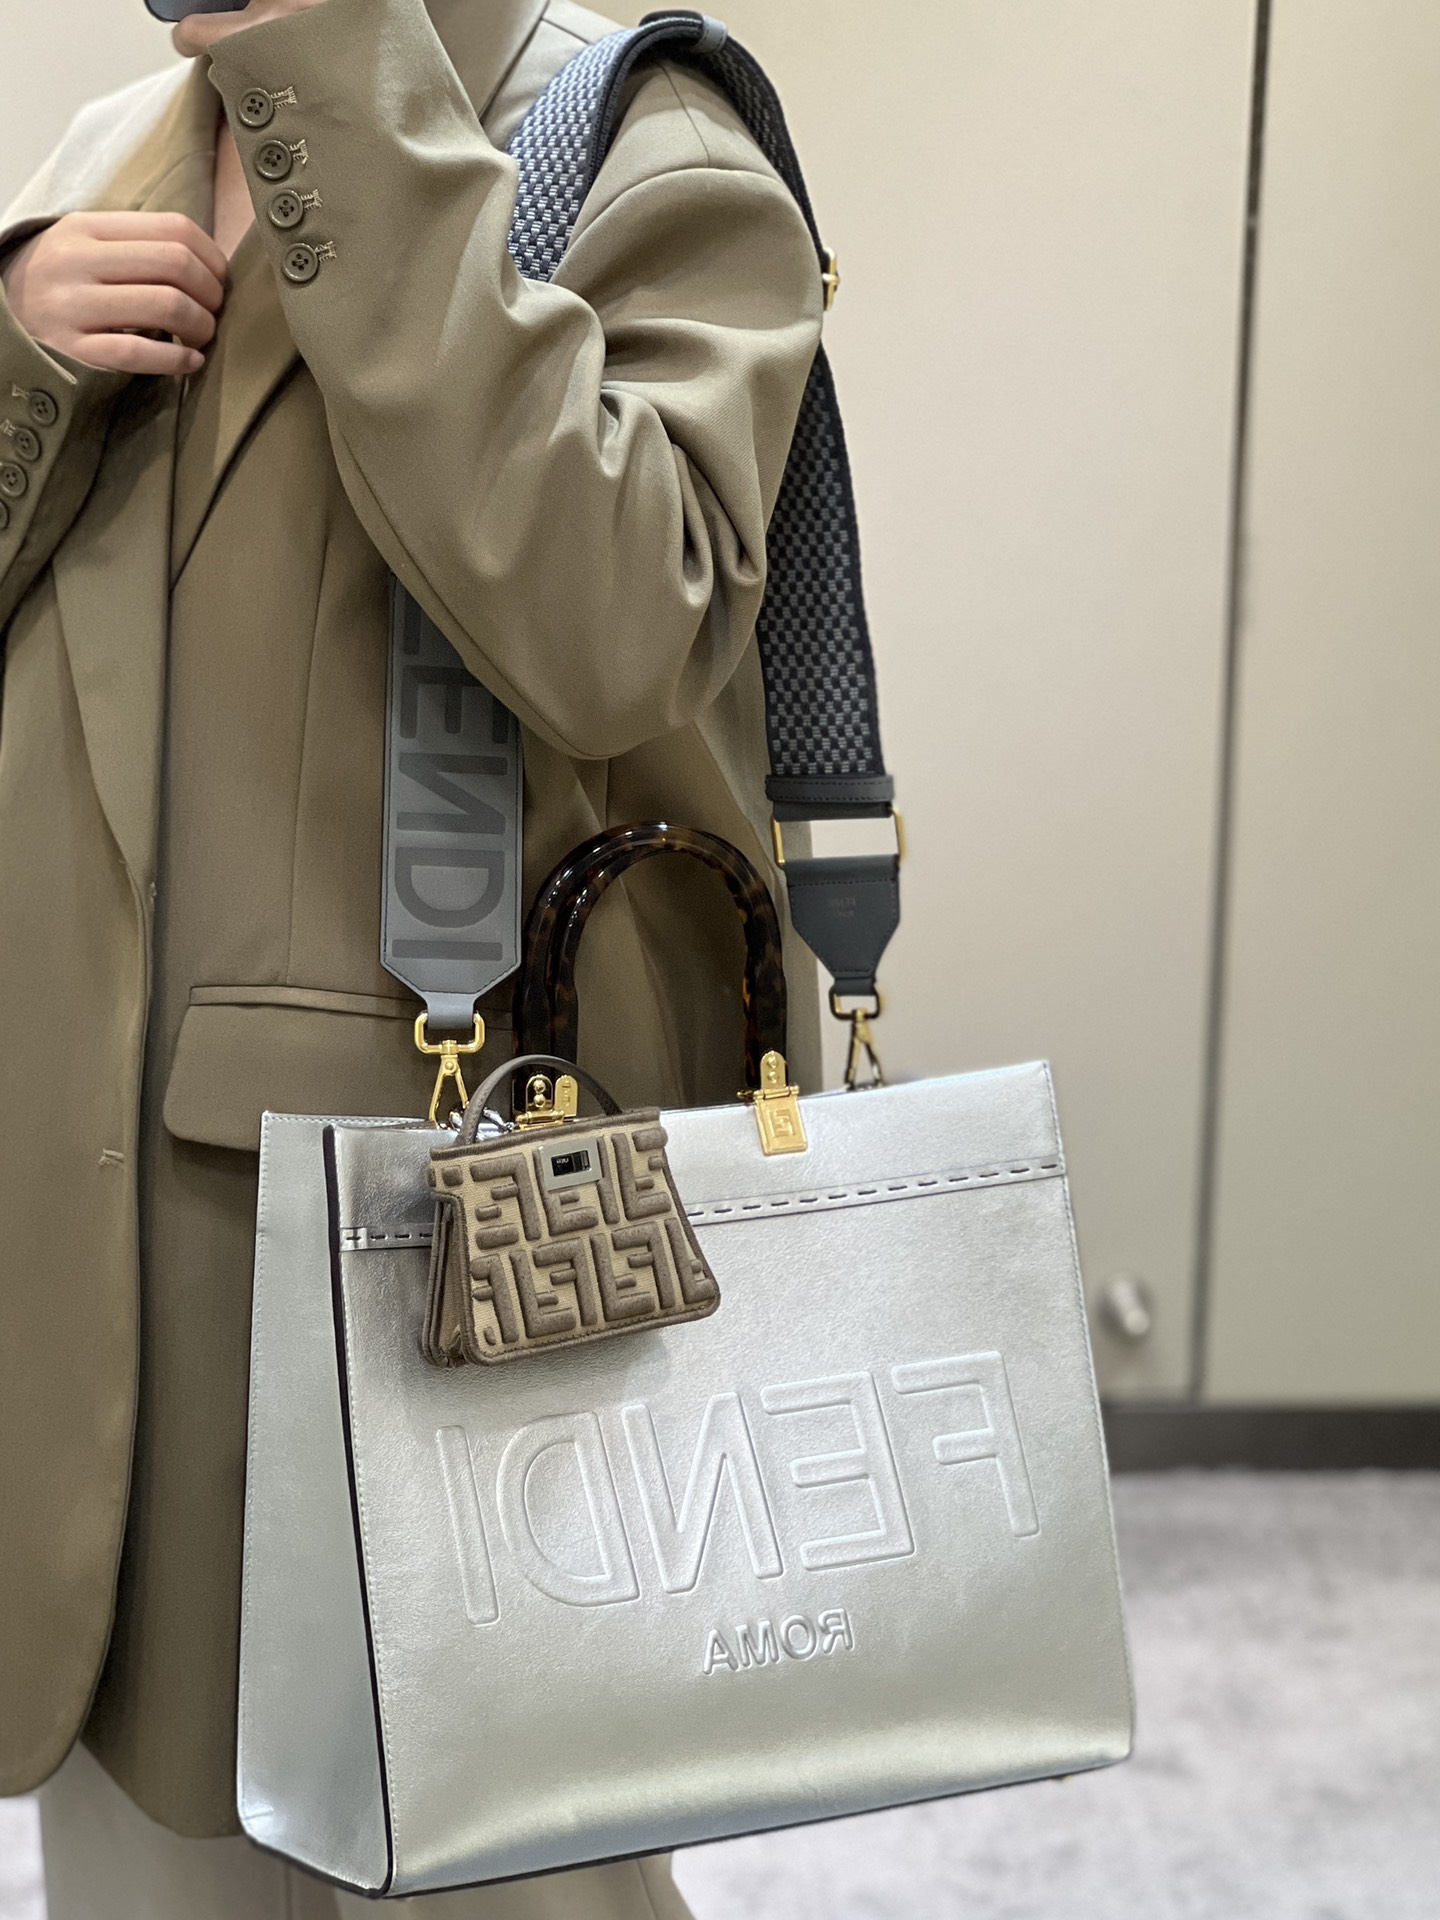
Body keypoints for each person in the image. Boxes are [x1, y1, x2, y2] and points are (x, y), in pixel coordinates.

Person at [0, 0, 824, 1912]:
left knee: (502, 1846)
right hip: (78, 1253)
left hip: (441, 1270)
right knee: (131, 1852)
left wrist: (347, 102)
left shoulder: (639, 138)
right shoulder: (113, 149)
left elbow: (617, 624)